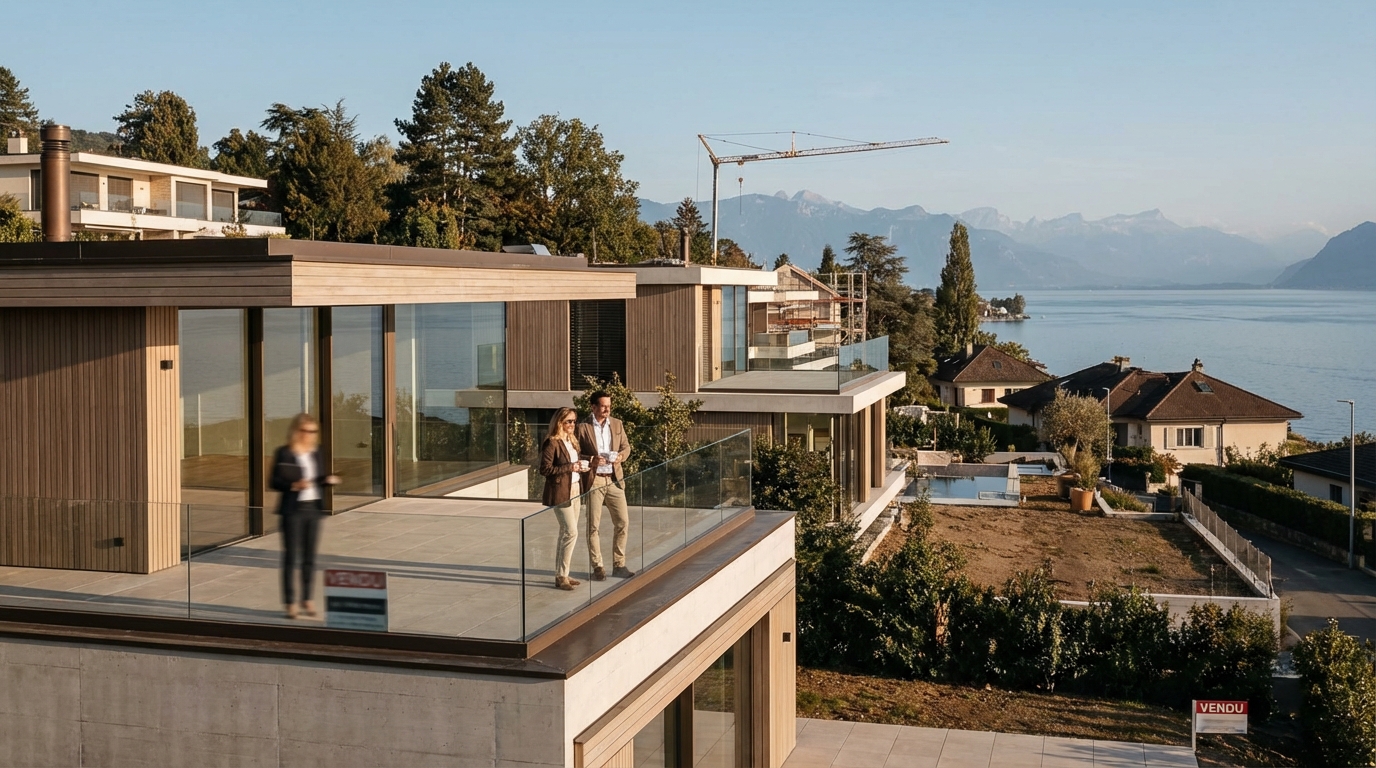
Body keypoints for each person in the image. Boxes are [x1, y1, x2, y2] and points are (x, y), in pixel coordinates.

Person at [269, 413, 340, 619]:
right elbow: (273, 482)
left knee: (310, 557)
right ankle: (290, 602)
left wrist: (328, 479)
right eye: (306, 431)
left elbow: (318, 477)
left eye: (313, 431)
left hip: (313, 509)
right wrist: (293, 485)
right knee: (291, 557)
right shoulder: (284, 453)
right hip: (292, 510)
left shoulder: (318, 452)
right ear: (296, 431)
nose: (310, 435)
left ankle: (307, 599)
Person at [577, 391, 635, 581]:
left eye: (609, 405)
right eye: (603, 406)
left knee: (623, 522)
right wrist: (591, 459)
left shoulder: (617, 424)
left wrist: (620, 456)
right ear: (593, 407)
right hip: (595, 480)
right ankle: (598, 567)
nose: (607, 409)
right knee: (593, 526)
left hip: (614, 479)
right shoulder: (582, 427)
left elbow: (626, 447)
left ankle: (619, 565)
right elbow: (575, 453)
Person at [540, 407, 588, 591]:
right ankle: (561, 576)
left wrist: (583, 465)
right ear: (559, 422)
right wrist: (571, 467)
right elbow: (545, 469)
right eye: (568, 421)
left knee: (566, 533)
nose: (572, 425)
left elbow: (574, 463)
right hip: (560, 492)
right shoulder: (552, 443)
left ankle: (562, 574)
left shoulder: (571, 441)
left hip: (575, 489)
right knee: (571, 532)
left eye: (574, 421)